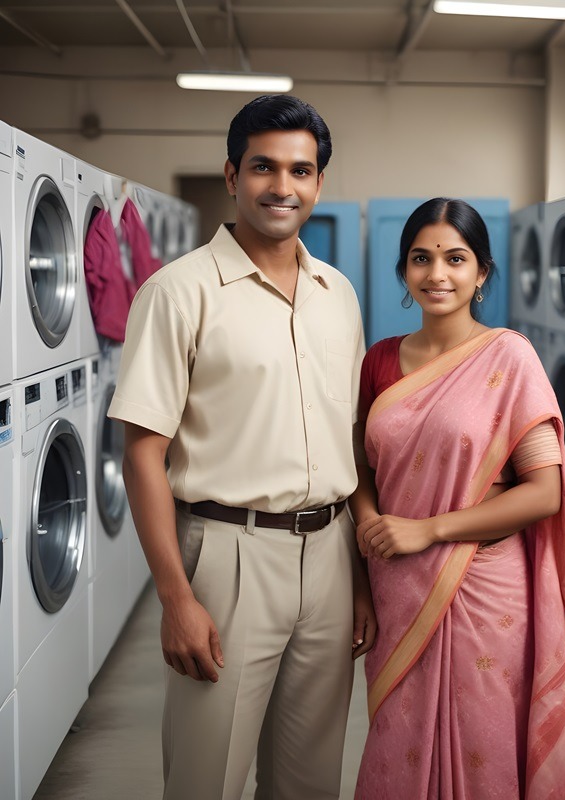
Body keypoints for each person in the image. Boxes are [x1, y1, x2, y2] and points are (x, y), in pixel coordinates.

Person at [108, 94, 375, 800]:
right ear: (232, 175)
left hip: (330, 553)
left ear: (318, 183)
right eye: (263, 167)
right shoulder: (178, 292)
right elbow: (142, 451)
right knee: (208, 778)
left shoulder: (338, 294)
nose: (281, 187)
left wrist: (360, 579)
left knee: (310, 780)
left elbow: (351, 432)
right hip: (226, 555)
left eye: (300, 170)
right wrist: (174, 598)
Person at [350, 198, 565, 799]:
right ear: (403, 270)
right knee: (396, 741)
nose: (437, 274)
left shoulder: (510, 359)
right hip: (394, 580)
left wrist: (427, 531)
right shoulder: (379, 361)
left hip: (485, 588)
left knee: (484, 749)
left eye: (455, 259)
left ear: (481, 272)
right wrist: (372, 524)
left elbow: (545, 493)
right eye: (421, 258)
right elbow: (358, 470)